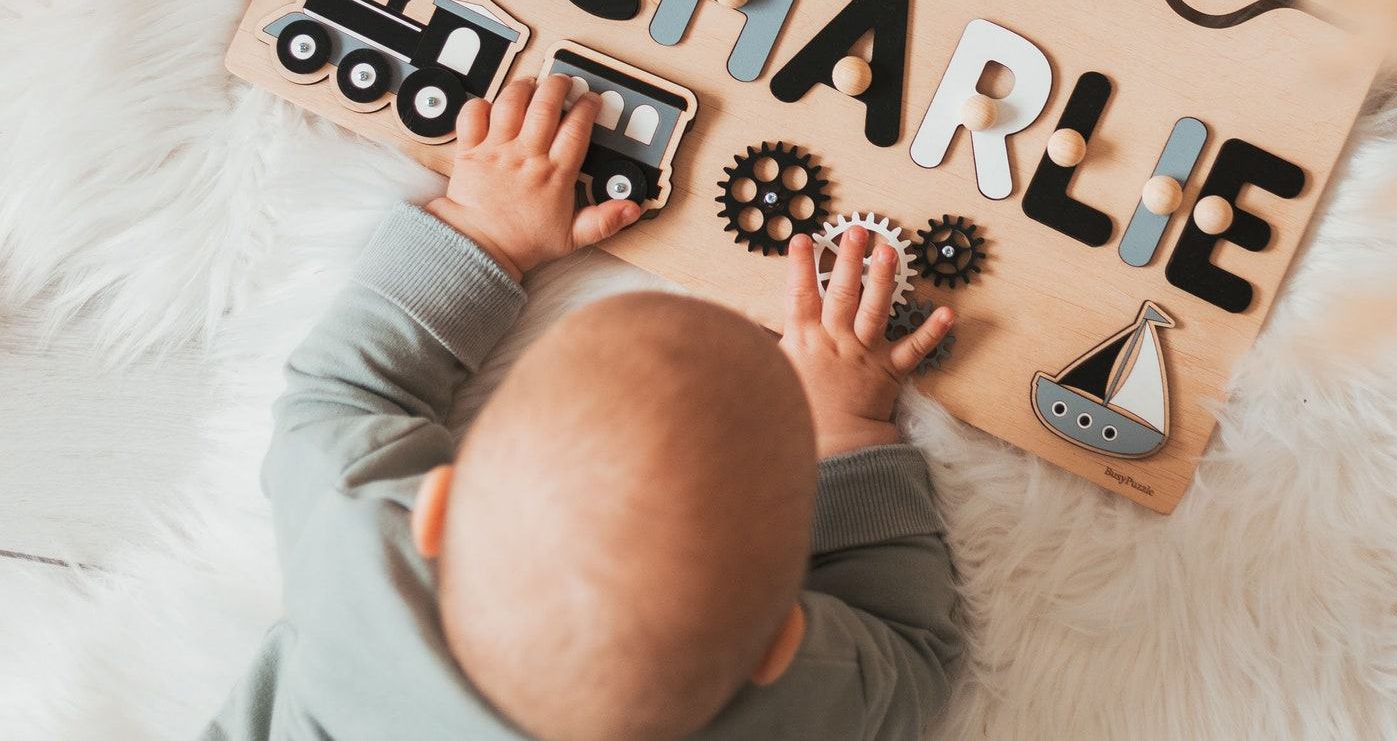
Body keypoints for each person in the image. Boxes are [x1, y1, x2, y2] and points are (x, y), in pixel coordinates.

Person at [205, 72, 963, 741]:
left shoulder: (357, 542)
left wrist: (485, 231)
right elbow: (911, 653)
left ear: (432, 508)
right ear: (780, 646)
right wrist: (844, 424)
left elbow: (341, 393)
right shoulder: (792, 709)